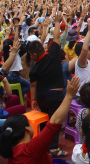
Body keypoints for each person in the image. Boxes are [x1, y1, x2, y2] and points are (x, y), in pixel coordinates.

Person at [0, 77, 81, 164]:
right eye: (29, 123)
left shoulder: (11, 153)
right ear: (27, 128)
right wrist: (69, 96)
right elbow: (55, 122)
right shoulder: (32, 149)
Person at [27, 12, 67, 157]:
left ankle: (44, 145)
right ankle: (53, 147)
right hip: (56, 96)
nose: (30, 57)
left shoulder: (34, 69)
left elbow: (33, 86)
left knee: (45, 122)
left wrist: (33, 101)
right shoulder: (53, 54)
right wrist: (57, 22)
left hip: (42, 97)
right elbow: (56, 37)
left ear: (34, 55)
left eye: (30, 55)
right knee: (55, 122)